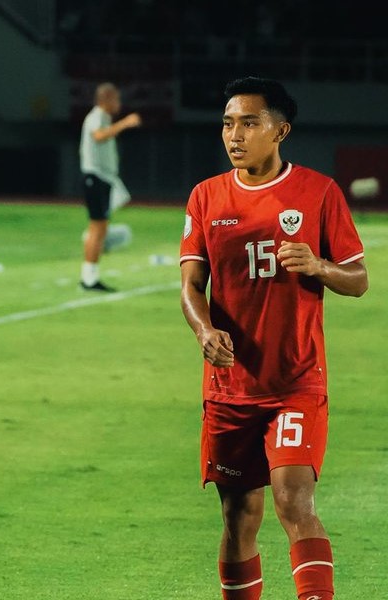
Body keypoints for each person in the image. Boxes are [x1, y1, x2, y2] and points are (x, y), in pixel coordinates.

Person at [179, 76, 368, 600]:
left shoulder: (318, 192)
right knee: (239, 516)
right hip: (230, 388)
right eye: (227, 123)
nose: (234, 134)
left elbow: (358, 279)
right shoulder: (206, 197)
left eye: (249, 122)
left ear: (280, 130)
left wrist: (320, 265)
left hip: (295, 383)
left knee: (293, 500)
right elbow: (192, 284)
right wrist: (204, 329)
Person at [78, 82, 141, 292]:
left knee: (101, 227)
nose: (119, 104)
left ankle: (90, 275)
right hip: (95, 177)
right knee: (97, 227)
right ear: (106, 99)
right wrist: (124, 124)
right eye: (116, 99)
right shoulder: (97, 116)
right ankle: (88, 278)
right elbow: (99, 136)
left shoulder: (101, 118)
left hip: (101, 178)